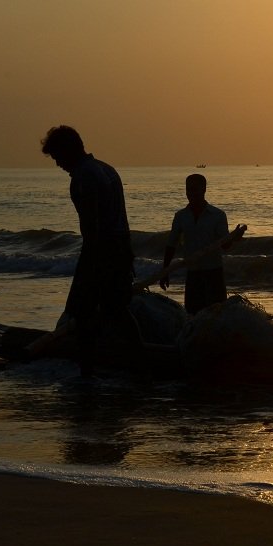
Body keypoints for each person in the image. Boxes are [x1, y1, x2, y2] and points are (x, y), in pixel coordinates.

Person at [39, 125, 139, 373]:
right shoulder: (107, 169)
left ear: (68, 151)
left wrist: (90, 263)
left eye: (58, 157)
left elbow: (92, 225)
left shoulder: (84, 177)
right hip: (120, 248)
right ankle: (140, 359)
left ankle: (87, 370)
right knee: (117, 309)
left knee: (81, 312)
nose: (58, 164)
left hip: (100, 251)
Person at [160, 174, 232, 315]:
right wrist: (165, 272)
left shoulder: (218, 215)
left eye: (194, 189)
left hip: (214, 273)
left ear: (204, 189)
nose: (191, 193)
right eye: (188, 190)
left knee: (217, 316)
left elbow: (225, 246)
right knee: (193, 316)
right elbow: (171, 244)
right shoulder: (181, 216)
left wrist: (233, 238)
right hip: (193, 274)